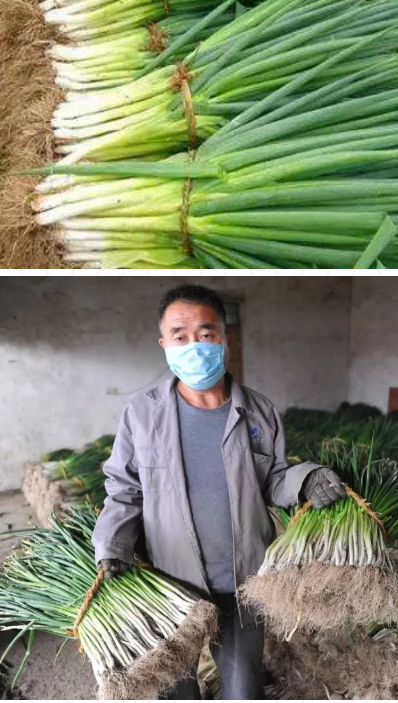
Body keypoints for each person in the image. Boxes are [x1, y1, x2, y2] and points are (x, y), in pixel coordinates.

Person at [92, 283, 347, 700]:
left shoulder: (260, 411)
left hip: (243, 581)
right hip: (170, 584)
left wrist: (307, 478)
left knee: (244, 689)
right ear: (164, 344)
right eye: (180, 336)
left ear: (225, 338)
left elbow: (274, 478)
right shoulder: (142, 413)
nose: (194, 346)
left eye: (206, 334)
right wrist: (112, 544)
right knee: (175, 690)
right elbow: (124, 488)